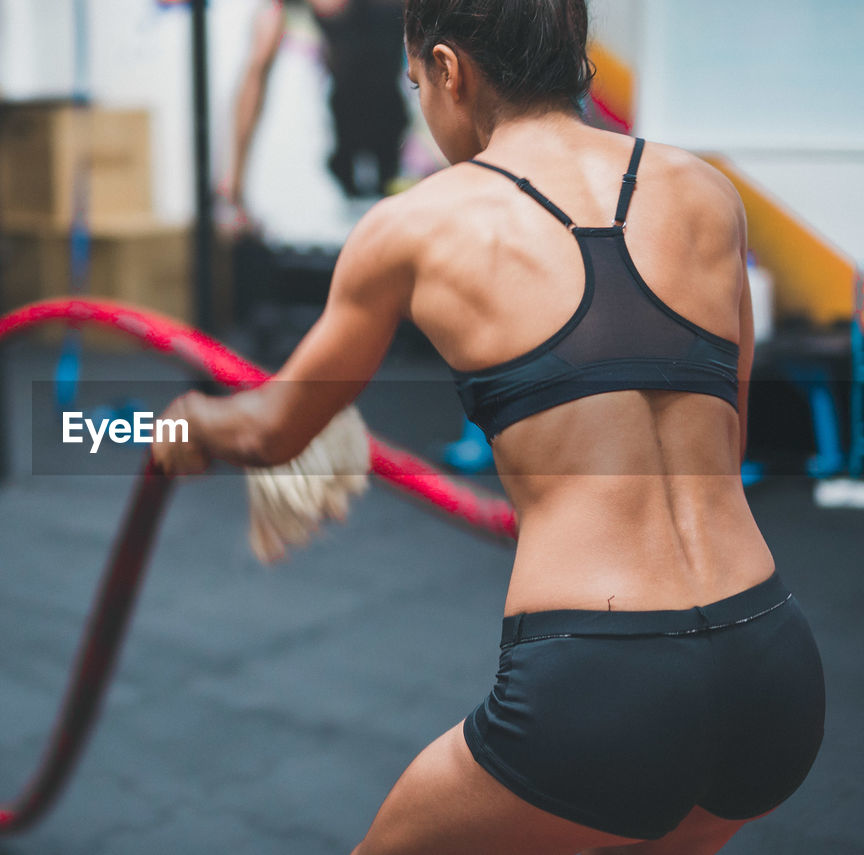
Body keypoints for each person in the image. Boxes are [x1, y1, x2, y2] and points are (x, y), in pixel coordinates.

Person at [152, 0, 825, 852]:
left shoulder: (414, 225)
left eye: (415, 85)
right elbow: (720, 448)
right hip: (772, 661)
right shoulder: (706, 193)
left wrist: (187, 426)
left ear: (449, 69)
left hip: (601, 679)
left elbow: (273, 429)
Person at [223, 0, 409, 227]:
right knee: (269, 33)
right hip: (356, 121)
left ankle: (234, 187)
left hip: (383, 122)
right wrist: (235, 184)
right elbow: (259, 60)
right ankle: (233, 187)